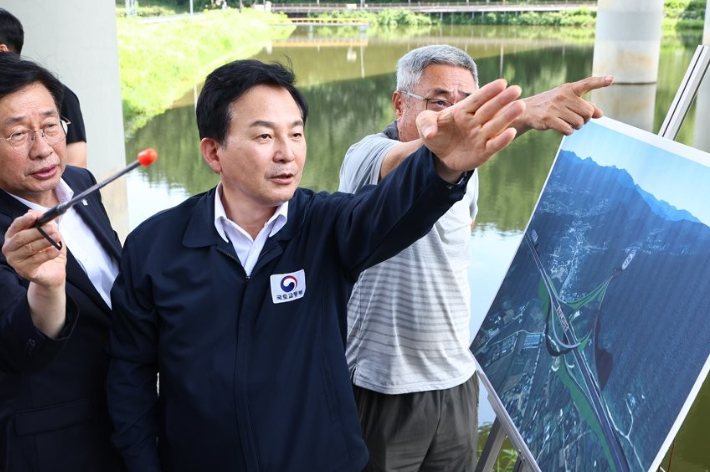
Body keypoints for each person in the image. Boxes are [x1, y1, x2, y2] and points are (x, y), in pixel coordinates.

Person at [106, 58, 526, 472]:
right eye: (265, 136)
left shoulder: (325, 226)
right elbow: (131, 377)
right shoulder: (155, 247)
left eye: (296, 133)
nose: (287, 154)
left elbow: (391, 209)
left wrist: (443, 167)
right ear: (213, 151)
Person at [338, 44, 614, 472]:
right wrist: (520, 113)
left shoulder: (468, 170)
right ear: (399, 104)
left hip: (455, 384)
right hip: (383, 386)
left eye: (467, 104)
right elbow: (426, 157)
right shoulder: (367, 156)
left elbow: (458, 225)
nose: (456, 116)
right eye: (438, 103)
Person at [0, 54, 125, 471]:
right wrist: (47, 287)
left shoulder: (81, 183)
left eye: (51, 126)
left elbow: (112, 291)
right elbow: (21, 345)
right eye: (18, 134)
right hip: (54, 444)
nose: (43, 148)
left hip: (127, 419)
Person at [0, 8, 89, 168]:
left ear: (2, 51)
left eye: (49, 126)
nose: (41, 150)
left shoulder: (57, 94)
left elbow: (77, 163)